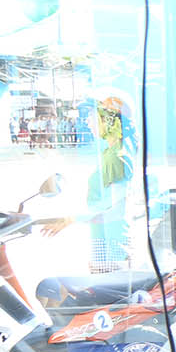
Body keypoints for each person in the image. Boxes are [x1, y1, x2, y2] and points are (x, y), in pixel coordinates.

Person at [40, 95, 138, 273]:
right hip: (105, 243)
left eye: (92, 115)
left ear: (108, 119)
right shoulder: (112, 152)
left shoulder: (117, 157)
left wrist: (71, 219)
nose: (87, 121)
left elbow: (114, 209)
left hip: (112, 248)